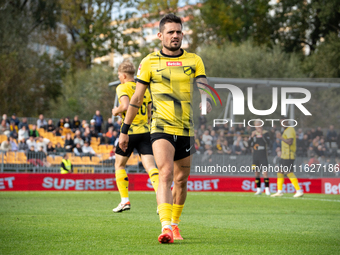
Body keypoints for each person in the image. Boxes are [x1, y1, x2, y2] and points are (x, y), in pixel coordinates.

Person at [118, 14, 212, 243]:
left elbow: (204, 87)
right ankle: (166, 227)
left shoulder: (194, 60)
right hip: (160, 127)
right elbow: (137, 98)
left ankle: (176, 224)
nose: (175, 36)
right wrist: (124, 129)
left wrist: (205, 100)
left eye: (179, 32)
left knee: (181, 180)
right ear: (160, 35)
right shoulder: (149, 62)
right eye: (170, 32)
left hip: (186, 130)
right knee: (165, 174)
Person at [111, 60, 160, 213]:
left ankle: (125, 200)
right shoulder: (144, 89)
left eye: (119, 75)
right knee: (151, 167)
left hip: (129, 132)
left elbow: (125, 106)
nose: (119, 78)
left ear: (124, 75)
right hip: (145, 132)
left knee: (119, 165)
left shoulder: (122, 87)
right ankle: (162, 198)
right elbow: (150, 112)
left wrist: (115, 110)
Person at [271, 120, 304, 198]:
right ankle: (279, 191)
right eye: (281, 123)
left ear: (287, 122)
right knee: (280, 172)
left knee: (288, 172)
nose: (282, 124)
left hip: (289, 155)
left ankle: (299, 191)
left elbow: (290, 142)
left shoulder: (290, 129)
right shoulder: (286, 130)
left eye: (284, 122)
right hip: (284, 155)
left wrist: (280, 138)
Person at [248, 120, 271, 196]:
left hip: (263, 156)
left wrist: (262, 135)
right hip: (255, 156)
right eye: (256, 125)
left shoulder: (265, 133)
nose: (257, 127)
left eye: (258, 125)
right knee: (256, 173)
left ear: (261, 125)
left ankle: (267, 189)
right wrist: (251, 137)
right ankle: (258, 189)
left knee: (265, 173)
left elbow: (269, 142)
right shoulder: (253, 134)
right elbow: (249, 145)